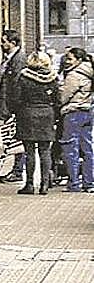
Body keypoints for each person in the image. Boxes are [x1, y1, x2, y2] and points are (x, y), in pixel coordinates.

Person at [8, 50, 60, 196]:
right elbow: (58, 100)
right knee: (45, 151)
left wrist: (16, 112)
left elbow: (16, 98)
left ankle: (29, 184)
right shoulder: (52, 78)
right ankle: (44, 184)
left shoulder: (23, 77)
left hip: (27, 114)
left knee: (29, 151)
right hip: (46, 115)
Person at [58, 47, 94, 192]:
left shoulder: (74, 75)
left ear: (78, 60)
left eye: (70, 58)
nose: (67, 61)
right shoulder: (90, 72)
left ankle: (74, 183)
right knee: (87, 148)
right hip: (88, 111)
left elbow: (63, 97)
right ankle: (89, 182)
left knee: (70, 148)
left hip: (73, 113)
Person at [0, 29, 29, 183]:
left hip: (14, 107)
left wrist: (11, 109)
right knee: (15, 138)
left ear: (13, 43)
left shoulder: (18, 59)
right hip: (10, 106)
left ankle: (18, 171)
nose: (1, 44)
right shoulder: (11, 58)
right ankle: (17, 170)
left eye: (4, 41)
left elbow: (15, 85)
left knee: (17, 139)